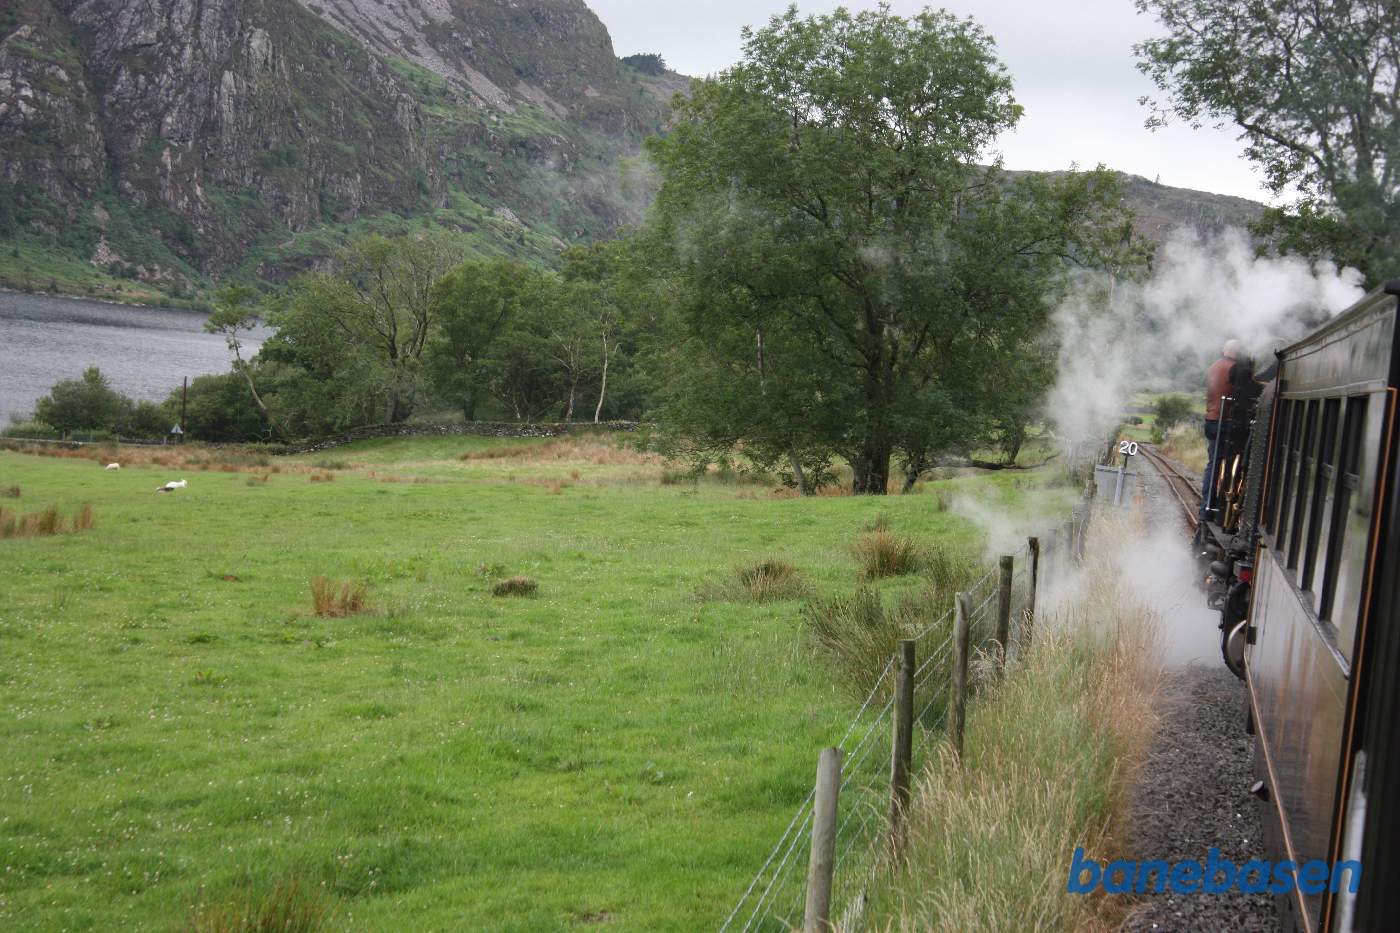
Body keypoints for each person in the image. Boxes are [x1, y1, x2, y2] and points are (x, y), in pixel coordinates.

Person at [1201, 339, 1240, 522]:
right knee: (1229, 464)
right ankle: (1215, 509)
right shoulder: (1235, 369)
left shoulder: (1214, 366)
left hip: (1210, 420)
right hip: (1224, 422)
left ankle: (1207, 504)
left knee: (1213, 464)